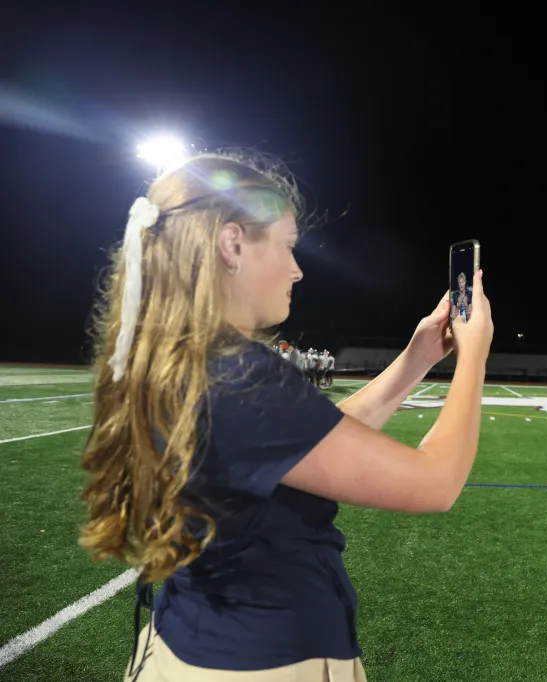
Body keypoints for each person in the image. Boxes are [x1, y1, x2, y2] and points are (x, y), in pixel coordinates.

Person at [77, 152, 494, 682]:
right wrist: (474, 354)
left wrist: (417, 360)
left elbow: (310, 442)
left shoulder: (184, 360)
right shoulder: (241, 377)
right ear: (232, 244)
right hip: (266, 661)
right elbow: (437, 483)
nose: (297, 269)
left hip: (185, 641)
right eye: (287, 245)